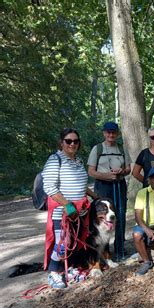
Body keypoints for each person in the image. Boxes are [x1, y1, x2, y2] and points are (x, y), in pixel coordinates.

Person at [43, 128, 98, 288]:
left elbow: (81, 184)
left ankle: (69, 269)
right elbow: (49, 186)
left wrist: (93, 195)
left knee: (75, 241)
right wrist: (66, 204)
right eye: (68, 141)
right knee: (62, 242)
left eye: (75, 141)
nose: (72, 144)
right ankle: (54, 273)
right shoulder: (55, 160)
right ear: (61, 143)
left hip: (79, 212)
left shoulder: (78, 161)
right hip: (63, 212)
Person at [87, 121, 131, 260]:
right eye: (108, 132)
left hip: (119, 185)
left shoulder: (122, 149)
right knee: (101, 216)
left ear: (117, 133)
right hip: (103, 186)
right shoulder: (97, 149)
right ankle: (103, 249)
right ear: (104, 133)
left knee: (119, 215)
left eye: (113, 132)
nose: (111, 134)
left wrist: (121, 171)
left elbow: (128, 169)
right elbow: (91, 172)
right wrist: (107, 176)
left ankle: (120, 248)